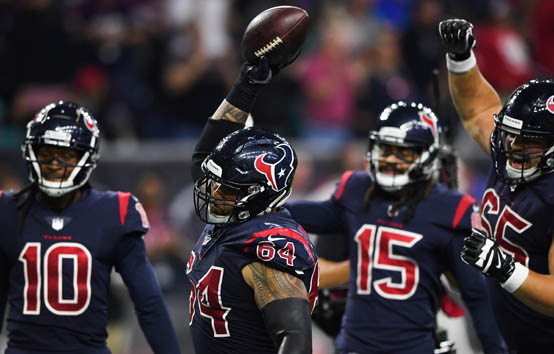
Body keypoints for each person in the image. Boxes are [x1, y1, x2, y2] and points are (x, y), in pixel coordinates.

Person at [439, 18, 554, 353]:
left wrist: (504, 268)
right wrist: (462, 59)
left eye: (528, 143)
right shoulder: (514, 154)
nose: (512, 149)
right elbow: (477, 107)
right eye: (511, 138)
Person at [286, 101, 507, 354]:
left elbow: (474, 292)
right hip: (355, 346)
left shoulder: (450, 208)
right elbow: (313, 215)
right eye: (385, 149)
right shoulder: (358, 190)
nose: (390, 159)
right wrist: (266, 204)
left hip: (412, 346)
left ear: (427, 155)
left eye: (403, 152)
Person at [0, 101, 181, 354]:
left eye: (65, 155)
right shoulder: (8, 209)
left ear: (88, 156)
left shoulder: (114, 211)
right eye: (45, 153)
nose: (53, 163)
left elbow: (148, 301)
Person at [185, 54, 318, 354]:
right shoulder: (234, 215)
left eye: (229, 189)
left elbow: (296, 342)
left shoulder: (267, 246)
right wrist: (246, 86)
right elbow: (203, 158)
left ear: (261, 193)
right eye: (218, 183)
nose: (216, 193)